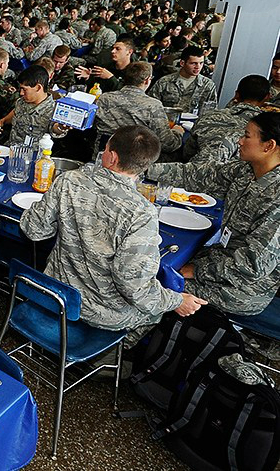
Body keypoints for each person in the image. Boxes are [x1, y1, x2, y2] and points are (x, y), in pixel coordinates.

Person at [20, 126, 207, 340]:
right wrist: (176, 301)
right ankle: (110, 361)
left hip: (56, 292)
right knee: (159, 310)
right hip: (103, 313)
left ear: (111, 157)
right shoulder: (141, 211)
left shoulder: (69, 181)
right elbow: (135, 287)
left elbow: (33, 229)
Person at [146, 112, 280, 316]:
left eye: (247, 136)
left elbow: (253, 265)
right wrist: (142, 168)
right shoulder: (246, 171)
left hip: (242, 288)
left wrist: (198, 270)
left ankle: (128, 342)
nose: (239, 141)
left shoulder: (276, 196)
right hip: (219, 259)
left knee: (157, 286)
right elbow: (197, 175)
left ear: (268, 145)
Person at [95, 62, 184, 154]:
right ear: (147, 80)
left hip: (102, 156)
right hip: (133, 162)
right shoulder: (153, 106)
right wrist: (177, 133)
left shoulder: (104, 98)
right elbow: (167, 144)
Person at [183, 75, 274, 163]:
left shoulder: (208, 116)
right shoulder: (267, 127)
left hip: (194, 170)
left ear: (236, 94)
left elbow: (187, 153)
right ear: (267, 97)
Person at [2, 65, 67, 145]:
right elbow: (16, 112)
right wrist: (3, 121)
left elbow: (56, 128)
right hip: (10, 149)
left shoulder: (53, 110)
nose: (21, 93)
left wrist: (61, 127)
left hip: (32, 155)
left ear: (38, 88)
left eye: (25, 89)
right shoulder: (21, 102)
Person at [148, 46, 218, 113]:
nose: (198, 67)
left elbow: (211, 112)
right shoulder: (164, 82)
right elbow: (150, 105)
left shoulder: (207, 85)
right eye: (193, 63)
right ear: (182, 63)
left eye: (201, 63)